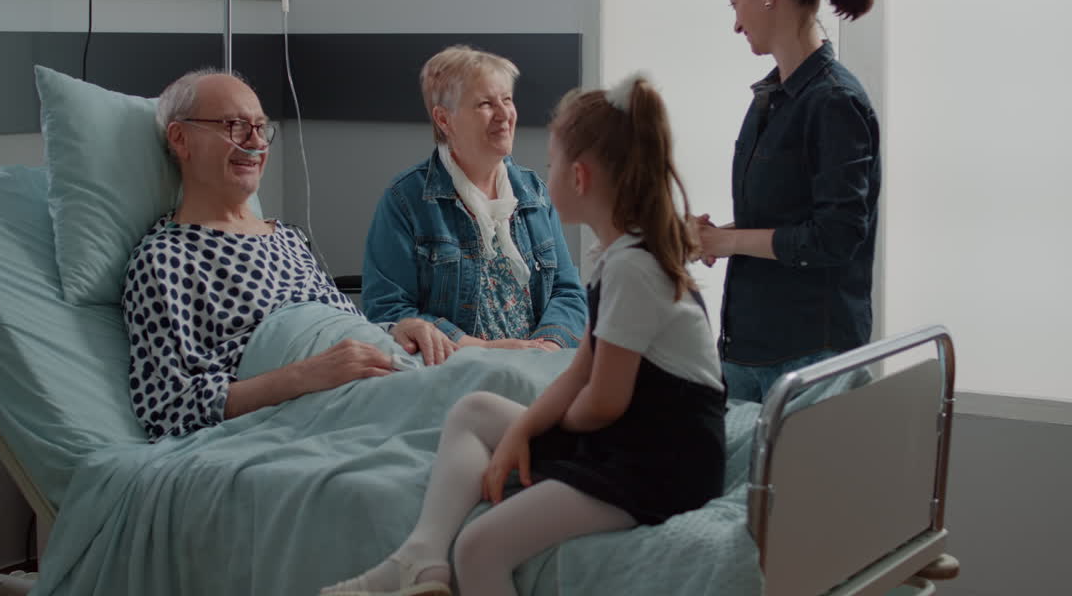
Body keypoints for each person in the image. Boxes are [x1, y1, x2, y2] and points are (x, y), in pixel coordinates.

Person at [321, 74, 725, 596]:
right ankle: (420, 559)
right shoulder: (618, 257)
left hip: (662, 464)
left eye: (553, 163)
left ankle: (432, 559)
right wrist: (521, 429)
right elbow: (581, 370)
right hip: (642, 438)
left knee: (478, 548)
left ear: (578, 178)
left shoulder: (631, 269)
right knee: (475, 411)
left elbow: (602, 403)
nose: (542, 174)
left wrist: (540, 434)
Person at [123, 69, 458, 441]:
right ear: (180, 138)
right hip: (317, 406)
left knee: (506, 386)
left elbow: (345, 340)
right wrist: (304, 375)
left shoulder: (286, 238)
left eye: (260, 127)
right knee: (483, 409)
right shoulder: (164, 259)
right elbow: (168, 408)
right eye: (234, 125)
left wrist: (397, 329)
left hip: (382, 368)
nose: (255, 143)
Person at [694, 0, 881, 403]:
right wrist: (712, 237)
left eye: (736, 4)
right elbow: (784, 223)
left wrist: (729, 241)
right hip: (748, 350)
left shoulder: (835, 101)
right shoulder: (768, 99)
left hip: (811, 357)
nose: (736, 24)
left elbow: (835, 236)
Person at [362, 45, 587, 352]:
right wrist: (479, 350)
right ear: (444, 119)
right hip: (457, 371)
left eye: (507, 100)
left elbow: (568, 291)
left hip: (538, 365)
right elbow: (388, 310)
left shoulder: (532, 191)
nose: (504, 114)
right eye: (485, 104)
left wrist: (547, 344)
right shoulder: (406, 199)